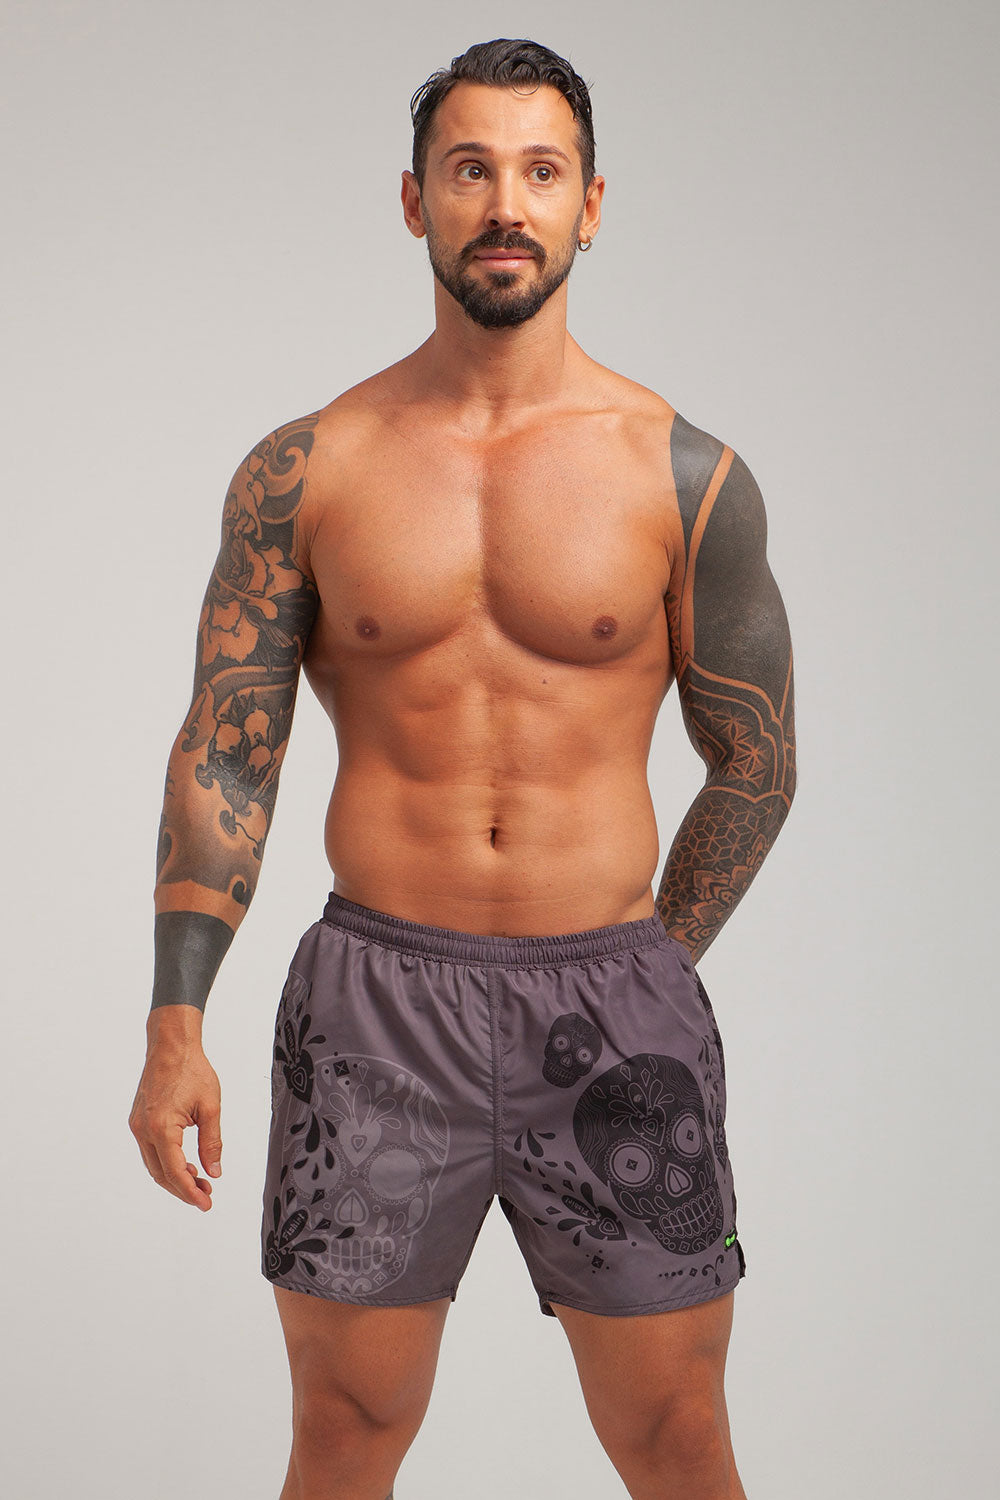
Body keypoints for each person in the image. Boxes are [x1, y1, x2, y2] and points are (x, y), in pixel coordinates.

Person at [129, 36, 796, 1500]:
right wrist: (177, 1023)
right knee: (344, 1434)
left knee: (678, 1439)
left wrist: (648, 970)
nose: (505, 203)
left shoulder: (684, 476)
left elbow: (756, 759)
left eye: (540, 172)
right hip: (376, 1009)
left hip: (614, 1005)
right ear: (414, 198)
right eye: (471, 169)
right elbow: (227, 753)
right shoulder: (308, 471)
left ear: (591, 205)